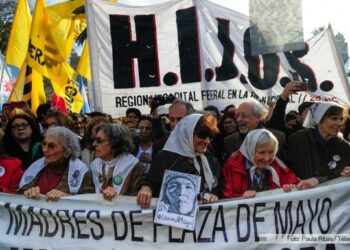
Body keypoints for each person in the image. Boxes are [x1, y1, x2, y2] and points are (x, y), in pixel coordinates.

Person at [137, 113, 221, 209]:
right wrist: (146, 188)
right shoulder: (164, 157)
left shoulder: (210, 161)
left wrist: (212, 197)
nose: (207, 141)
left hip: (201, 220)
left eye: (210, 136)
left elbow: (214, 191)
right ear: (187, 132)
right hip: (168, 220)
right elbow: (150, 182)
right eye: (202, 135)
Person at [286, 102, 350, 189]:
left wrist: (317, 180)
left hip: (329, 199)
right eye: (334, 118)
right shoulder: (298, 139)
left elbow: (339, 175)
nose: (340, 123)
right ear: (319, 119)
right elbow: (286, 168)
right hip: (299, 195)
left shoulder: (345, 147)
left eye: (341, 119)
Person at [18, 127, 93, 200]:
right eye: (44, 144)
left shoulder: (81, 170)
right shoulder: (37, 166)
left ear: (67, 151)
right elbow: (21, 193)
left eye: (51, 146)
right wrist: (28, 192)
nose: (44, 150)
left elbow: (88, 201)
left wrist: (67, 197)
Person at [222, 129, 298, 199]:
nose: (267, 158)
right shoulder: (232, 167)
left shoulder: (278, 166)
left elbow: (294, 183)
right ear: (250, 150)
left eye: (271, 152)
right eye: (262, 152)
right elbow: (225, 197)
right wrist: (242, 197)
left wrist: (290, 187)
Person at [90, 123, 145, 200]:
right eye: (94, 140)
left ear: (114, 143)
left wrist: (117, 197)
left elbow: (135, 200)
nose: (94, 144)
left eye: (99, 140)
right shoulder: (94, 165)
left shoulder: (133, 165)